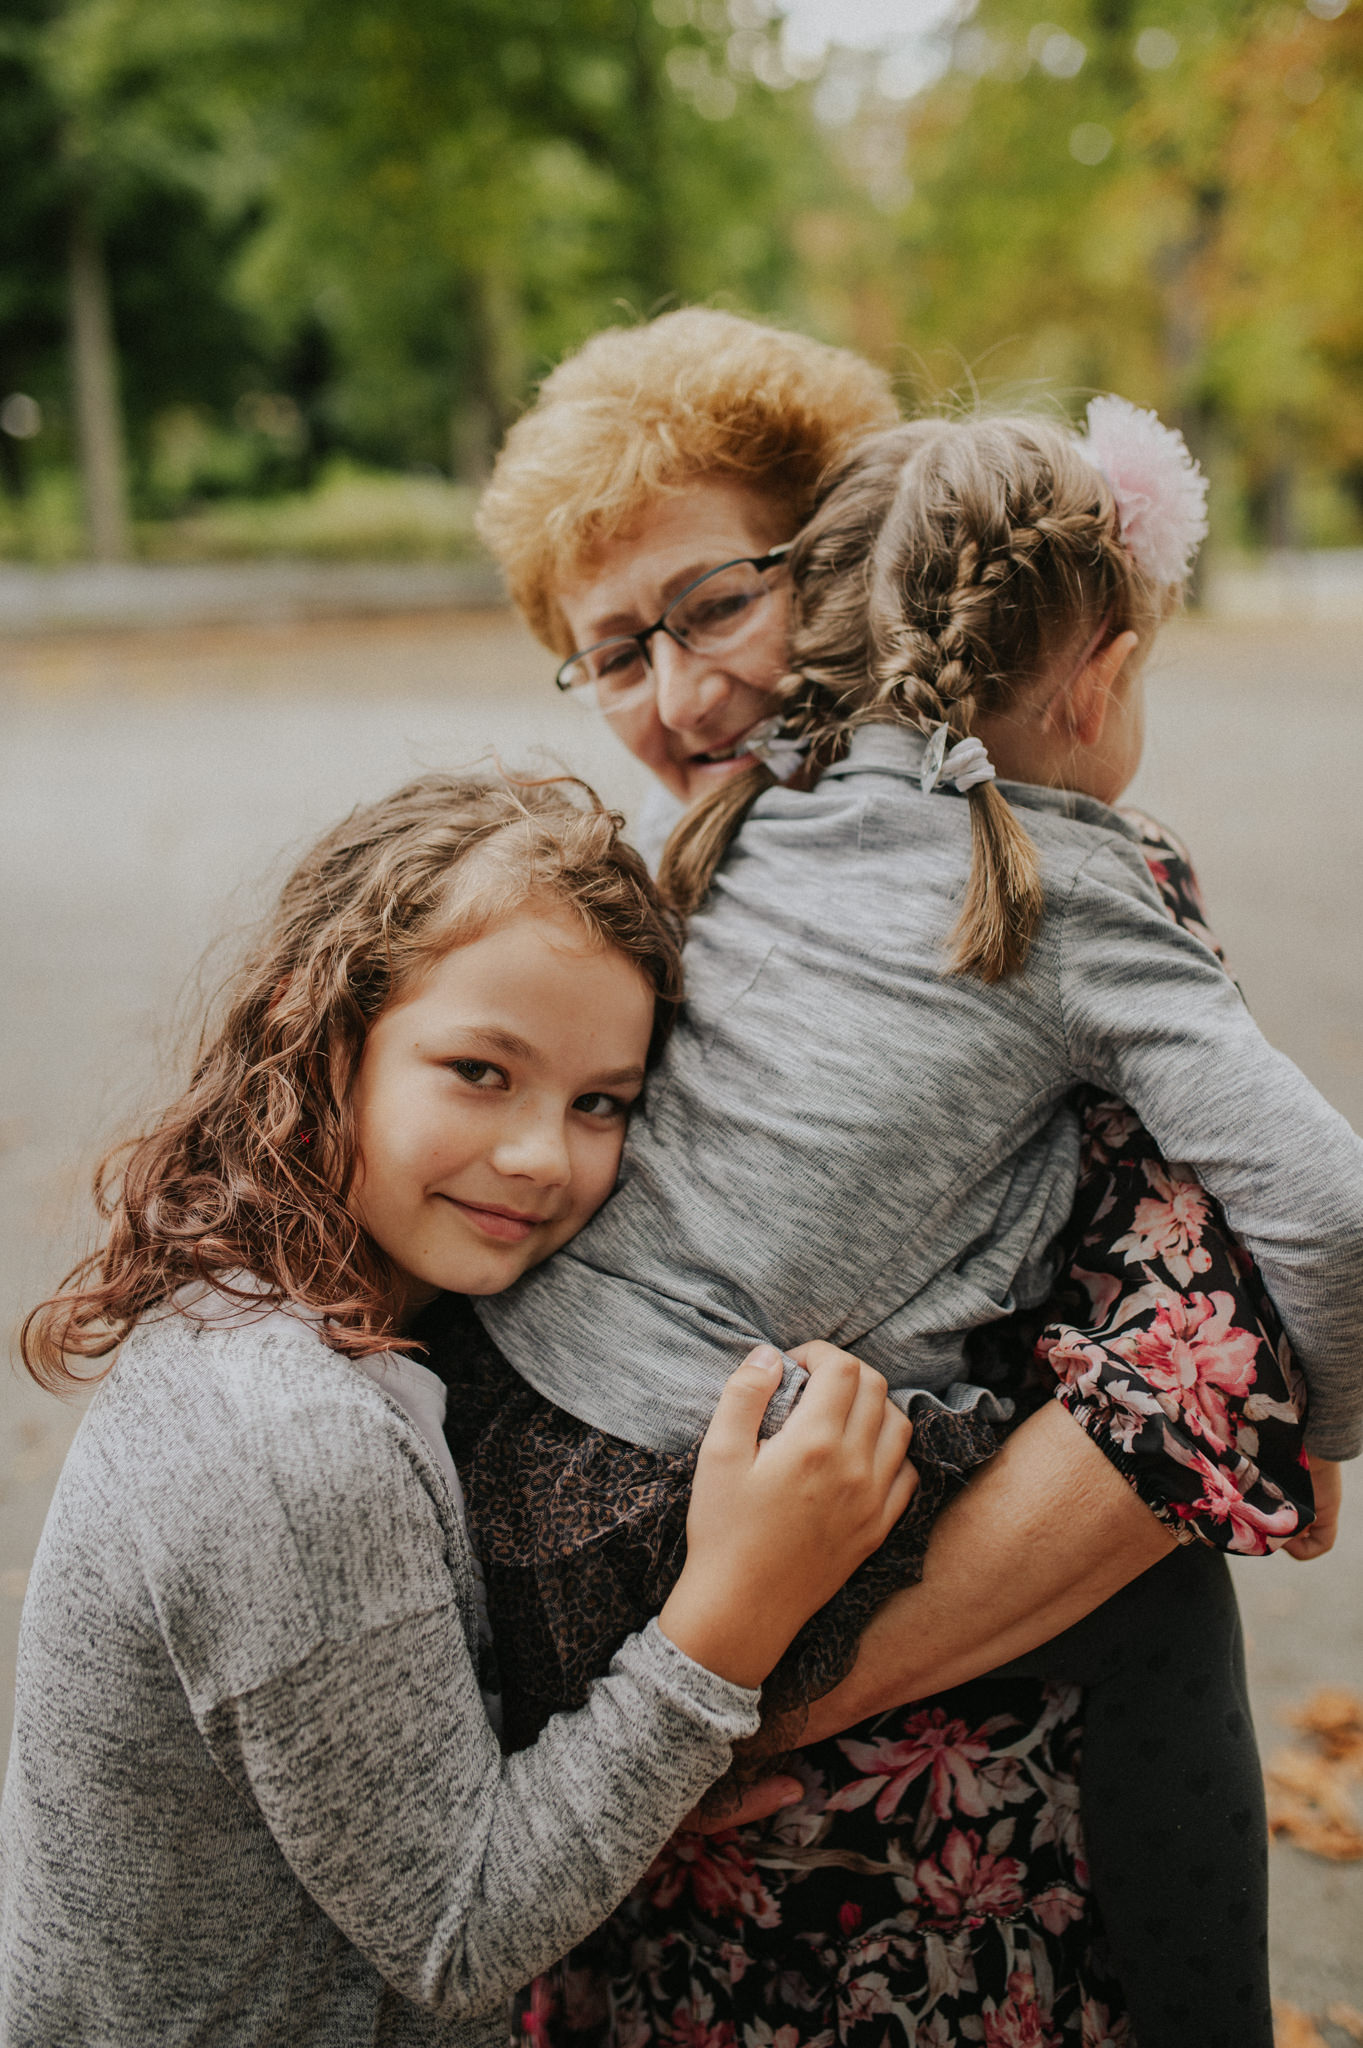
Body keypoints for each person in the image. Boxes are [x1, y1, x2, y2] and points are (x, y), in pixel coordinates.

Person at [470, 311, 1352, 2045]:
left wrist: (716, 1696)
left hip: (981, 1843)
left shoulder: (1037, 888)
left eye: (715, 605)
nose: (684, 689)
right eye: (613, 653)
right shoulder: (667, 881)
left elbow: (1200, 1365)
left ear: (861, 557)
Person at [0, 772, 918, 2047]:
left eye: (602, 1100)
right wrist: (732, 1612)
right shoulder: (294, 1437)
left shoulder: (307, 1308)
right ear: (322, 1035)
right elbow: (460, 1930)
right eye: (482, 1070)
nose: (546, 1151)